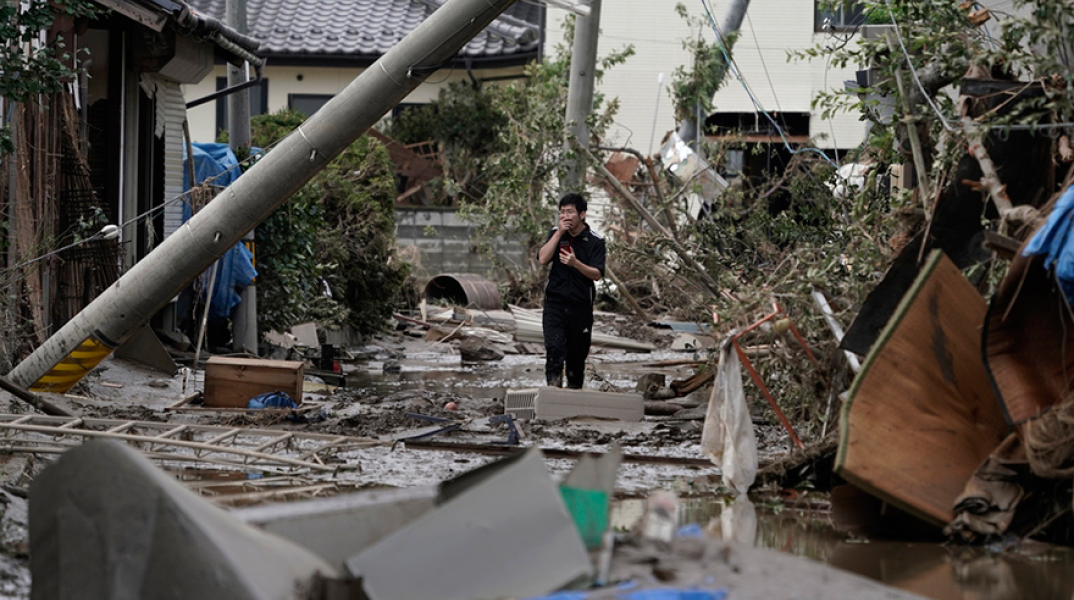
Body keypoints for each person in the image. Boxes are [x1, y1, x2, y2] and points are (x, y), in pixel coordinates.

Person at [538, 193, 606, 388]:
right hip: (555, 305)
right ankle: (553, 394)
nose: (565, 216)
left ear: (582, 214)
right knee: (554, 350)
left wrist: (576, 264)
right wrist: (558, 234)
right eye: (562, 212)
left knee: (576, 358)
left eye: (570, 212)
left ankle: (574, 401)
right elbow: (542, 259)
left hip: (581, 307)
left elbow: (597, 274)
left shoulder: (595, 240)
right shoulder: (555, 233)